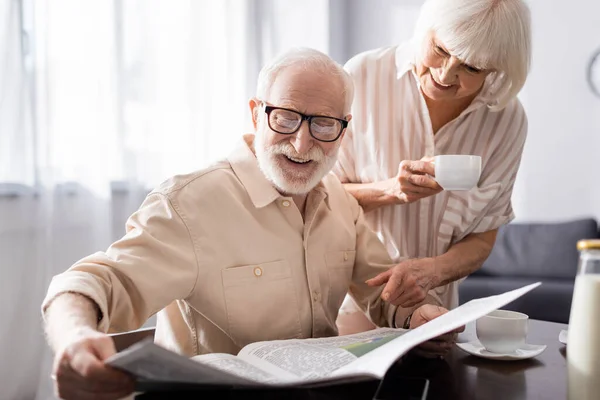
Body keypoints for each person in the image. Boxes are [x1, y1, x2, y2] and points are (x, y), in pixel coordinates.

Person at [42, 48, 459, 400]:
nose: (301, 143)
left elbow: (383, 291)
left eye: (324, 124)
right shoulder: (190, 203)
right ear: (257, 114)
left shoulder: (337, 198)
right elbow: (92, 281)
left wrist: (419, 314)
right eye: (286, 117)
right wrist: (75, 337)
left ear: (343, 131)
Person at [334, 0, 532, 333]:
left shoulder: (506, 122)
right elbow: (317, 201)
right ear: (427, 27)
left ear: (497, 69)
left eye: (471, 68)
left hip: (434, 318)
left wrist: (433, 272)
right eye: (440, 49)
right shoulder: (362, 77)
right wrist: (390, 190)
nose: (446, 74)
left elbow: (482, 239)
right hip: (349, 308)